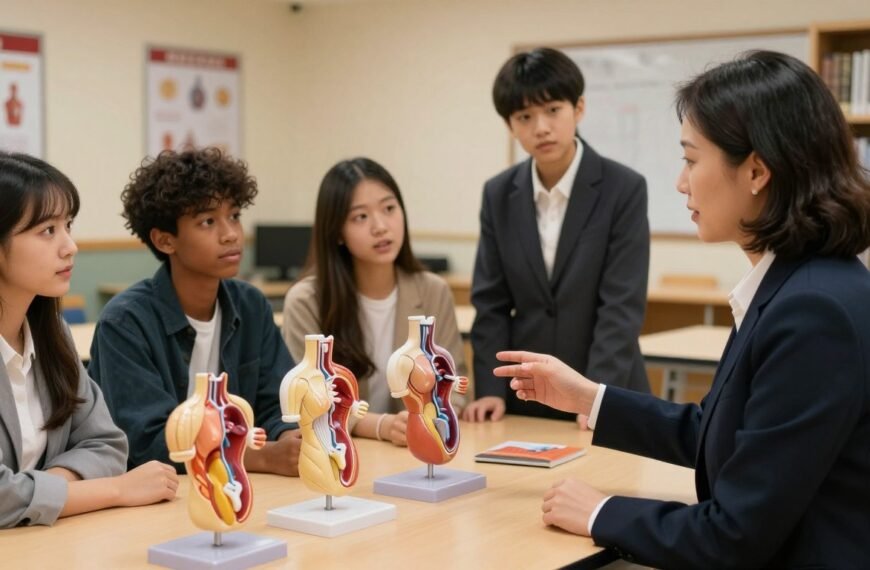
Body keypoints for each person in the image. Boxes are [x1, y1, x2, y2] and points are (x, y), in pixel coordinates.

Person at [494, 51, 870, 567]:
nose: (680, 182)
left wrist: (602, 511)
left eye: (691, 160)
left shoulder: (813, 311)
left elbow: (734, 536)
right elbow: (722, 432)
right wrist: (588, 397)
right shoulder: (800, 284)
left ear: (757, 169)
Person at [463, 47, 650, 426]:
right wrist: (490, 389)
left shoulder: (623, 187)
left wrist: (594, 397)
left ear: (578, 109)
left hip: (603, 393)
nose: (541, 127)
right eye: (524, 116)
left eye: (552, 110)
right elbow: (490, 303)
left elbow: (621, 305)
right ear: (510, 125)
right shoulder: (498, 194)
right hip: (523, 397)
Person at [89, 148, 301, 476]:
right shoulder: (125, 322)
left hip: (236, 487)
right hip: (158, 496)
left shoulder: (251, 305)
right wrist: (260, 458)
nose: (231, 233)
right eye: (207, 221)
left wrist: (291, 440)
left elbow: (278, 404)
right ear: (165, 241)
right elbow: (148, 442)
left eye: (234, 215)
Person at [0, 152, 177, 528]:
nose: (70, 246)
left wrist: (44, 492)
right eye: (48, 230)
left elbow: (108, 443)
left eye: (68, 226)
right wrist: (116, 490)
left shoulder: (53, 334)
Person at [282, 157, 466, 446]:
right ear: (337, 232)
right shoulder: (306, 301)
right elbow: (308, 397)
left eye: (389, 209)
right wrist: (380, 426)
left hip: (421, 447)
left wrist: (436, 417)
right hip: (344, 451)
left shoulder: (433, 290)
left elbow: (454, 384)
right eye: (360, 217)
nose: (381, 227)